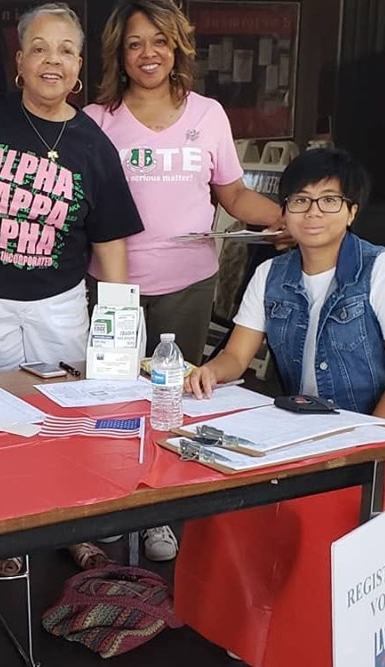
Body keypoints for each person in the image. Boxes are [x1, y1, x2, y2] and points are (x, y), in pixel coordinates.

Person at [0, 2, 144, 574]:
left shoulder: (93, 145)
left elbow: (111, 243)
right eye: (41, 49)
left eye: (67, 51)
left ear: (80, 68)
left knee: (66, 425)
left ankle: (69, 527)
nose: (54, 61)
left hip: (59, 308)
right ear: (20, 61)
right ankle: (3, 534)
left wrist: (117, 328)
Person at [84, 0, 283, 563]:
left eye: (159, 42)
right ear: (119, 55)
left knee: (176, 401)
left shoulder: (208, 115)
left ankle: (162, 514)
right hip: (111, 286)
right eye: (135, 44)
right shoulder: (97, 120)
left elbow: (234, 197)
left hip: (188, 285)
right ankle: (114, 503)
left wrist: (287, 217)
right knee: (115, 400)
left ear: (177, 48)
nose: (148, 54)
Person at [186, 147, 385, 510]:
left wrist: (361, 442)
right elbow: (237, 356)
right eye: (300, 200)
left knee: (348, 514)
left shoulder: (384, 271)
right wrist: (209, 371)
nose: (313, 211)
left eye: (329, 200)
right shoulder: (270, 275)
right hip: (304, 432)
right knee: (233, 499)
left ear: (352, 212)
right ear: (284, 212)